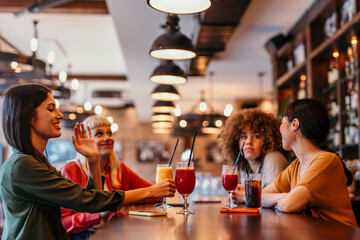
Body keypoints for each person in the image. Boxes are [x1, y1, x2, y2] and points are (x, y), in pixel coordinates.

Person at [0, 83, 176, 240]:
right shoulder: (22, 165)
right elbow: (89, 200)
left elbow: (92, 202)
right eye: (51, 108)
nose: (60, 115)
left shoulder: (37, 162)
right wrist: (150, 191)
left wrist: (92, 160)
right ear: (29, 116)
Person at [61, 115, 160, 238]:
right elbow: (62, 222)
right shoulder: (71, 170)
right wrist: (99, 214)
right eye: (99, 134)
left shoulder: (120, 168)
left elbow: (153, 193)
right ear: (85, 140)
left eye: (109, 133)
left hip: (117, 231)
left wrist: (126, 201)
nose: (107, 138)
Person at [262, 99, 357, 227]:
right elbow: (260, 196)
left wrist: (286, 199)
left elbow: (288, 205)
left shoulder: (326, 160)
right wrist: (286, 196)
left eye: (282, 121)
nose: (280, 128)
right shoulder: (295, 165)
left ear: (295, 124)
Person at [221, 108, 288, 203]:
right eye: (243, 137)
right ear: (236, 142)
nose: (248, 142)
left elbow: (273, 198)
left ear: (268, 139)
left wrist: (245, 196)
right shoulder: (246, 167)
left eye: (256, 136)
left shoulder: (273, 158)